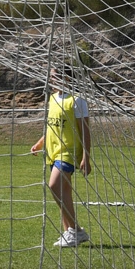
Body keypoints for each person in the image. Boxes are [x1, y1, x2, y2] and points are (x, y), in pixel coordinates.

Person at [29, 69, 93, 248]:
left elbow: (85, 131)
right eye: (50, 75)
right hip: (53, 151)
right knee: (64, 192)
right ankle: (69, 233)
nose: (51, 79)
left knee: (54, 186)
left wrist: (86, 157)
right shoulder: (53, 98)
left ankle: (76, 230)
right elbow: (51, 126)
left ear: (66, 78)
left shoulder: (77, 100)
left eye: (54, 76)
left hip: (69, 151)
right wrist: (40, 143)